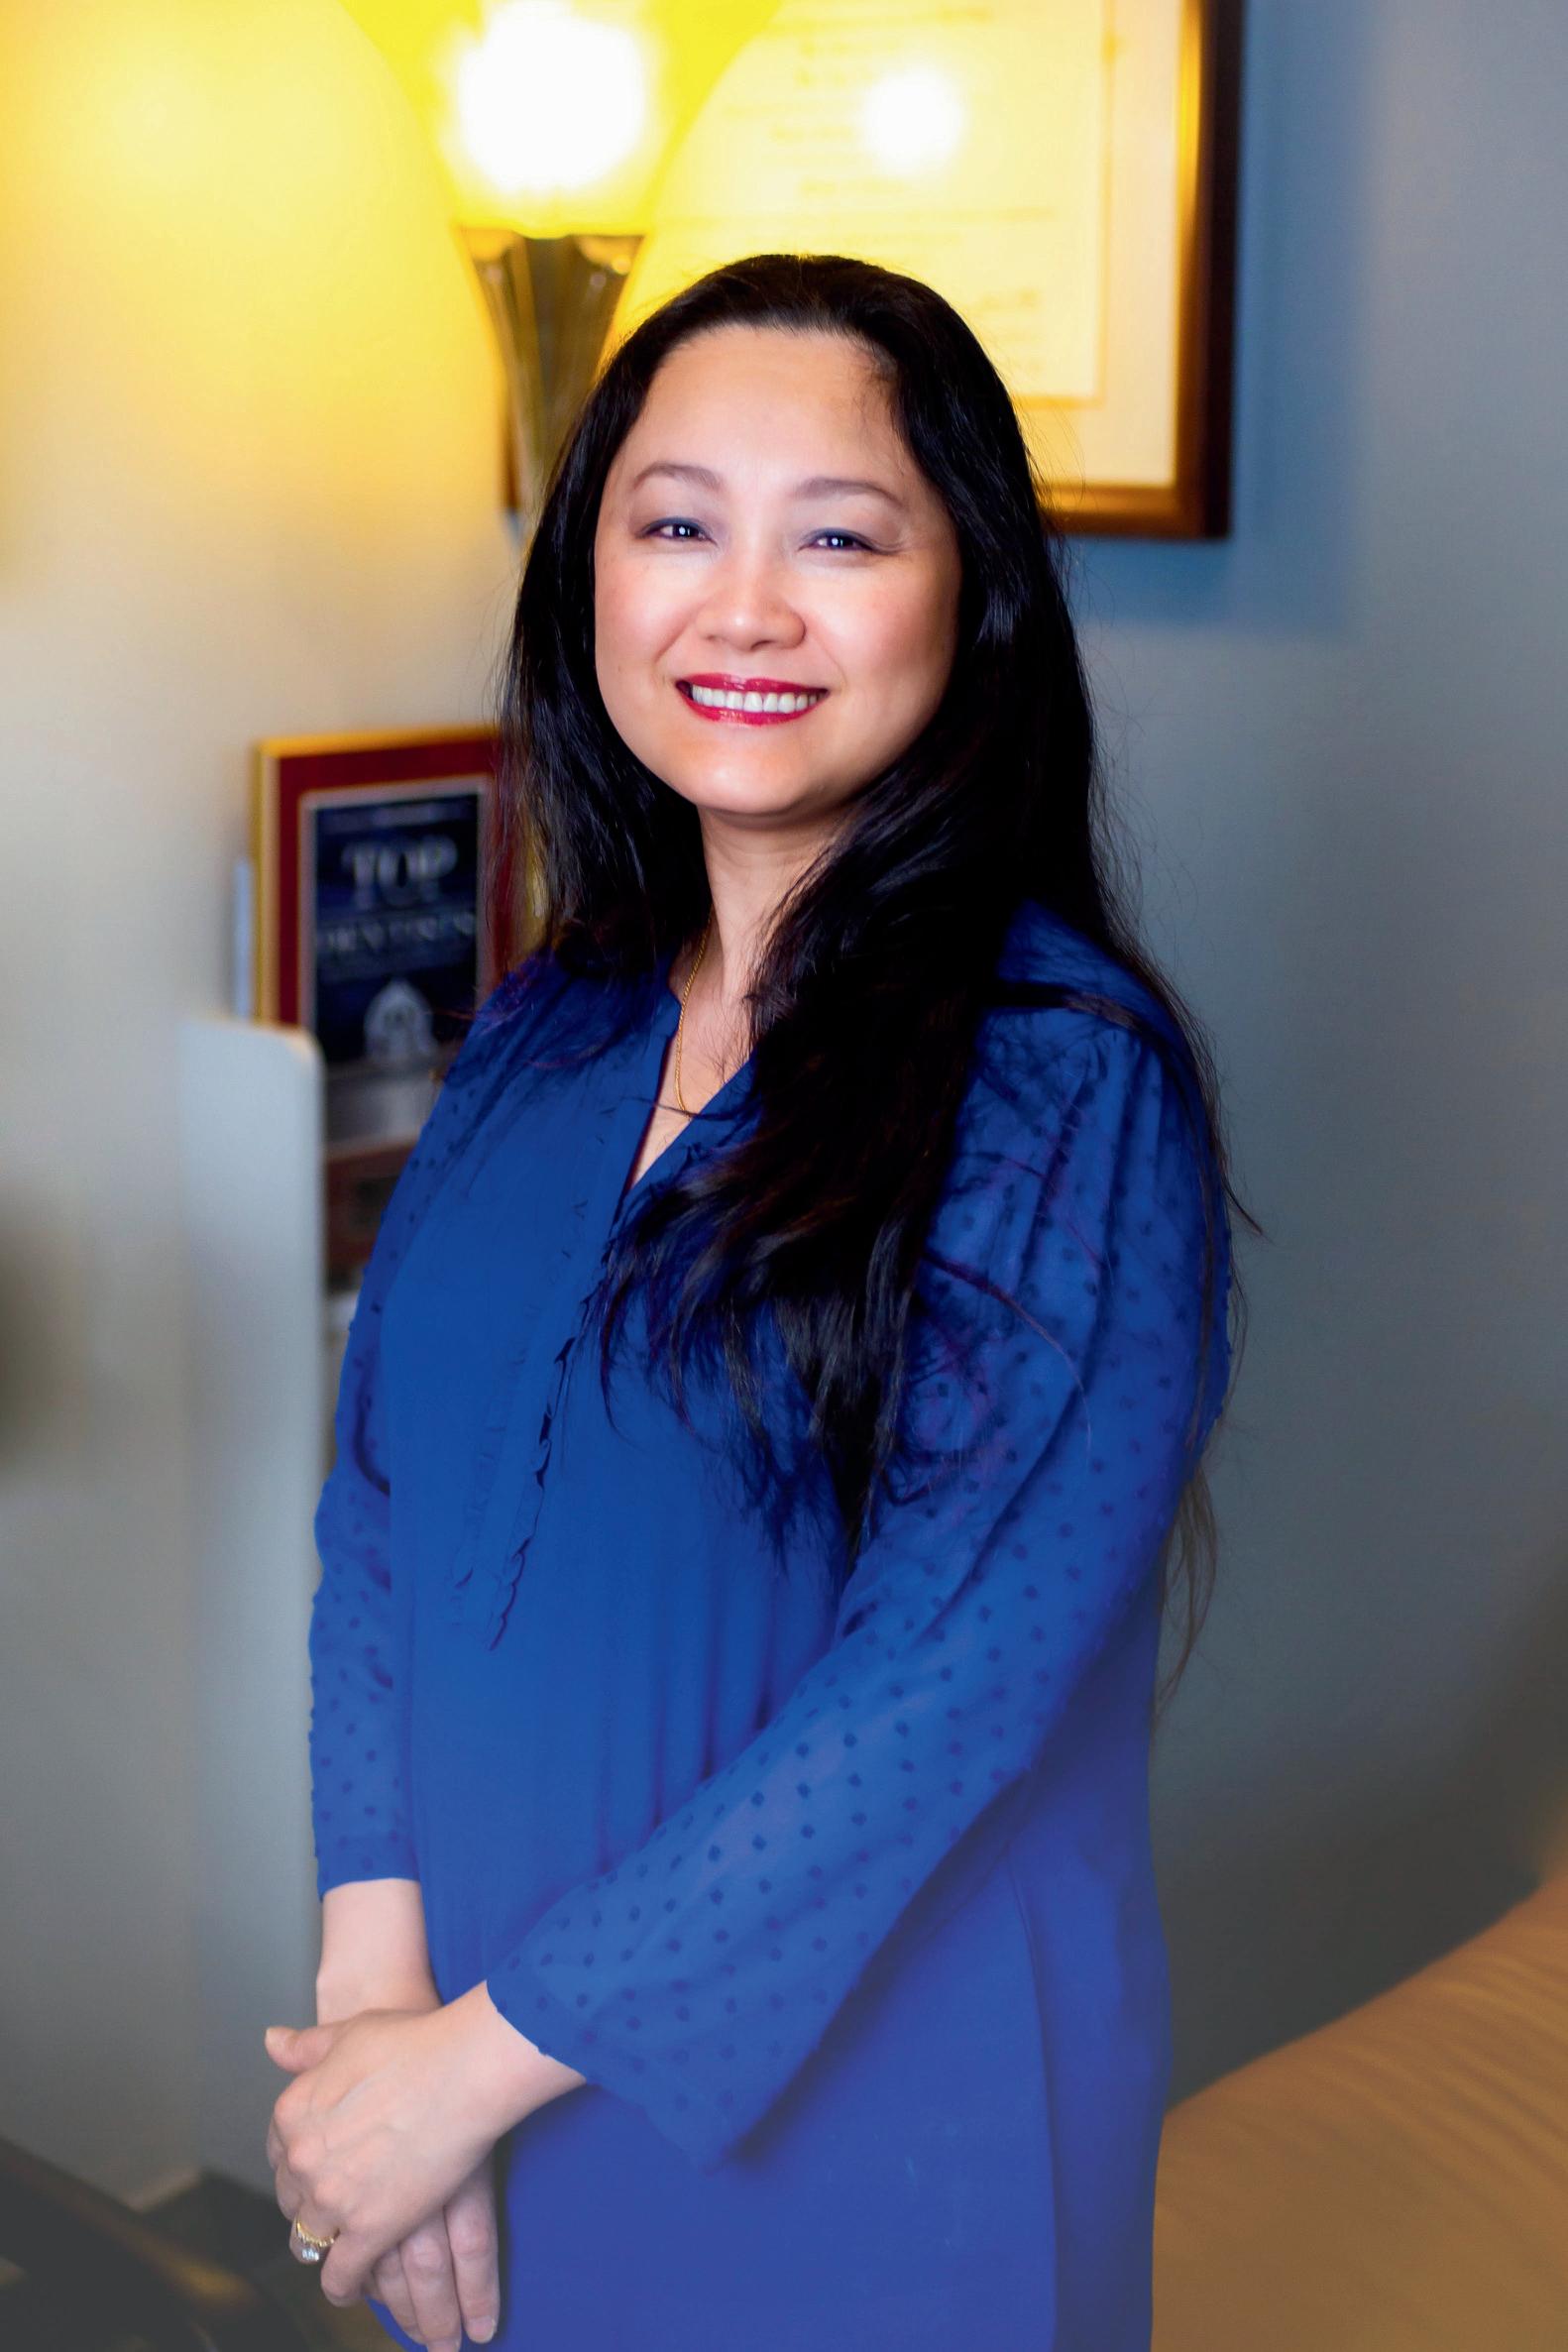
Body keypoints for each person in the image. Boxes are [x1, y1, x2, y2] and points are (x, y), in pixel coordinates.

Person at [263, 251, 1249, 2351]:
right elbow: (380, 1505)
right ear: (590, 576)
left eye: (840, 538)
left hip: (878, 2156)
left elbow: (937, 1699)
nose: (743, 607)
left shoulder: (1062, 1085)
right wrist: (375, 1996)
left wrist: (457, 2071)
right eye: (676, 523)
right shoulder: (547, 1020)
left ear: (971, 600)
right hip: (482, 2092)